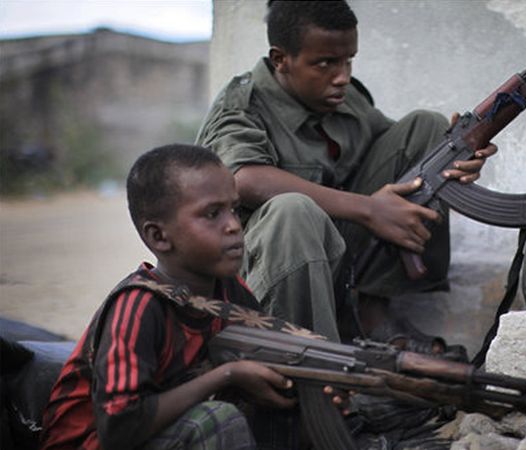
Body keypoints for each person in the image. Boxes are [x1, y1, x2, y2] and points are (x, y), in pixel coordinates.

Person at [196, 0, 496, 350]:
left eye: (348, 60)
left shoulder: (345, 97)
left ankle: (371, 312)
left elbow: (404, 148)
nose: (342, 76)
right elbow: (244, 179)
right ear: (281, 60)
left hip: (337, 258)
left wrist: (458, 155)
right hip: (263, 275)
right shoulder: (242, 105)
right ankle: (301, 350)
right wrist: (369, 209)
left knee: (429, 129)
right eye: (325, 63)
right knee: (292, 209)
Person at [39, 145, 334, 450]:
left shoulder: (229, 292)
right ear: (159, 236)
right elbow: (117, 427)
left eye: (233, 209)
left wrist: (319, 385)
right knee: (216, 420)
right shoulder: (137, 307)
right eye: (212, 213)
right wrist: (228, 375)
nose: (233, 225)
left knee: (290, 408)